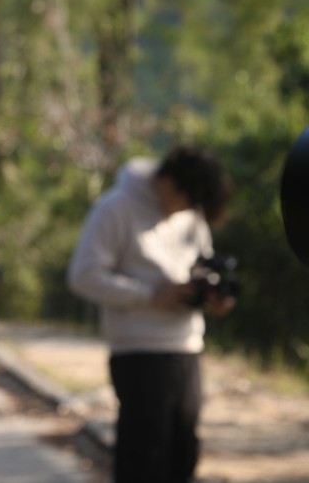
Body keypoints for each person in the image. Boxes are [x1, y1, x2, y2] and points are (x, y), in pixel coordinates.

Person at [67, 145, 235, 483]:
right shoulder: (115, 208)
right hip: (138, 350)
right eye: (188, 201)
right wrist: (150, 295)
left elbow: (204, 266)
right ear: (170, 183)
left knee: (183, 452)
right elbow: (83, 276)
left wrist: (213, 296)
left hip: (187, 346)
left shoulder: (193, 213)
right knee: (143, 455)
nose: (189, 210)